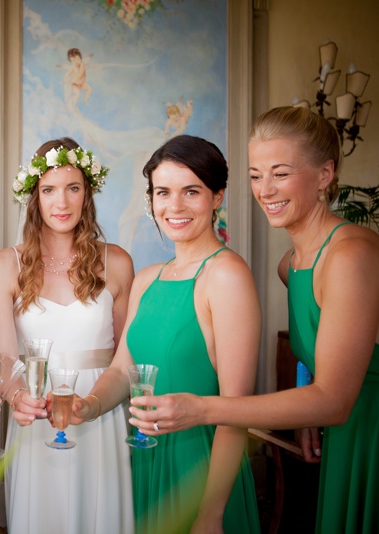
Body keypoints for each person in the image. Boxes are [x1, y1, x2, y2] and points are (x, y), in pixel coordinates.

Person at [148, 106, 379, 533]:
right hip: (350, 430)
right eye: (255, 174)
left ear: (324, 175)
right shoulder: (291, 265)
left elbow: (335, 400)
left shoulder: (350, 257)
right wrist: (304, 401)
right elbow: (322, 351)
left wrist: (203, 409)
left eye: (280, 173)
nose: (265, 189)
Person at [73, 135, 261, 533]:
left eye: (191, 191)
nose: (174, 206)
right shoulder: (147, 279)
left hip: (200, 471)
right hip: (145, 461)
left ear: (217, 197)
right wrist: (88, 405)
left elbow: (236, 409)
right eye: (163, 192)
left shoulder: (227, 275)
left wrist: (210, 514)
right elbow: (124, 370)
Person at [0, 137, 135, 533]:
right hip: (35, 413)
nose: (62, 202)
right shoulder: (4, 265)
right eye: (49, 190)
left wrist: (94, 403)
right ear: (34, 196)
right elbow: (3, 358)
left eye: (73, 188)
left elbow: (126, 358)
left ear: (87, 194)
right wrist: (19, 398)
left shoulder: (117, 262)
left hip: (99, 409)